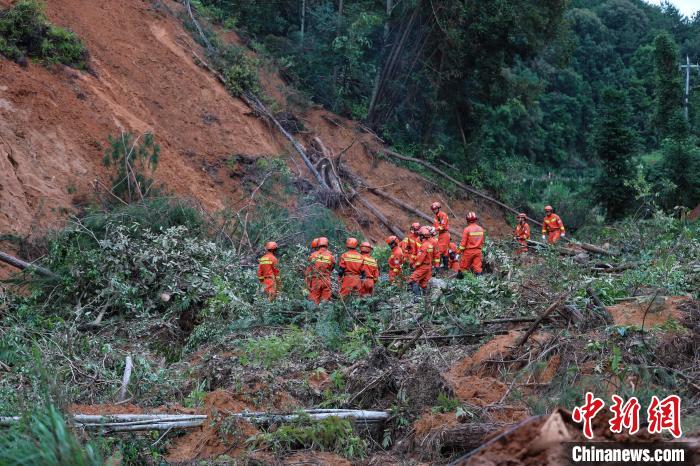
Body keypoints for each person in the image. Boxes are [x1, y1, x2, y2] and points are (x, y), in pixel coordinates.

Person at [306, 237, 335, 304]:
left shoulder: (313, 255)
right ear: (327, 244)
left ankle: (315, 313)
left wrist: (307, 284)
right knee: (325, 302)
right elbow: (331, 268)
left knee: (314, 302)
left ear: (318, 244)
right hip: (326, 280)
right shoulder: (331, 256)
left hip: (315, 280)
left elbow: (309, 271)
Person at [408, 226, 434, 297]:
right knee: (423, 283)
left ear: (422, 236)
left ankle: (418, 298)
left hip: (423, 267)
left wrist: (414, 266)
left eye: (420, 235)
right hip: (427, 266)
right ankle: (426, 299)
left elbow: (420, 259)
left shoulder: (424, 246)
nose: (419, 237)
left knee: (412, 280)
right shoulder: (429, 244)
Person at [458, 212, 485, 277]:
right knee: (478, 269)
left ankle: (459, 283)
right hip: (478, 251)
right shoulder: (481, 229)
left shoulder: (467, 229)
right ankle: (480, 284)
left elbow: (462, 245)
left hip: (468, 252)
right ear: (475, 219)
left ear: (467, 220)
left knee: (463, 268)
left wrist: (458, 252)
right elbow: (483, 241)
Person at [431, 202, 450, 269]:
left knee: (439, 251)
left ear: (438, 208)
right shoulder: (436, 217)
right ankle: (445, 266)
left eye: (435, 209)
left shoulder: (443, 215)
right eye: (433, 210)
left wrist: (435, 229)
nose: (434, 211)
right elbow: (435, 226)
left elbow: (443, 226)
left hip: (444, 234)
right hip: (441, 234)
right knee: (444, 251)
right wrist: (432, 231)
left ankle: (437, 267)